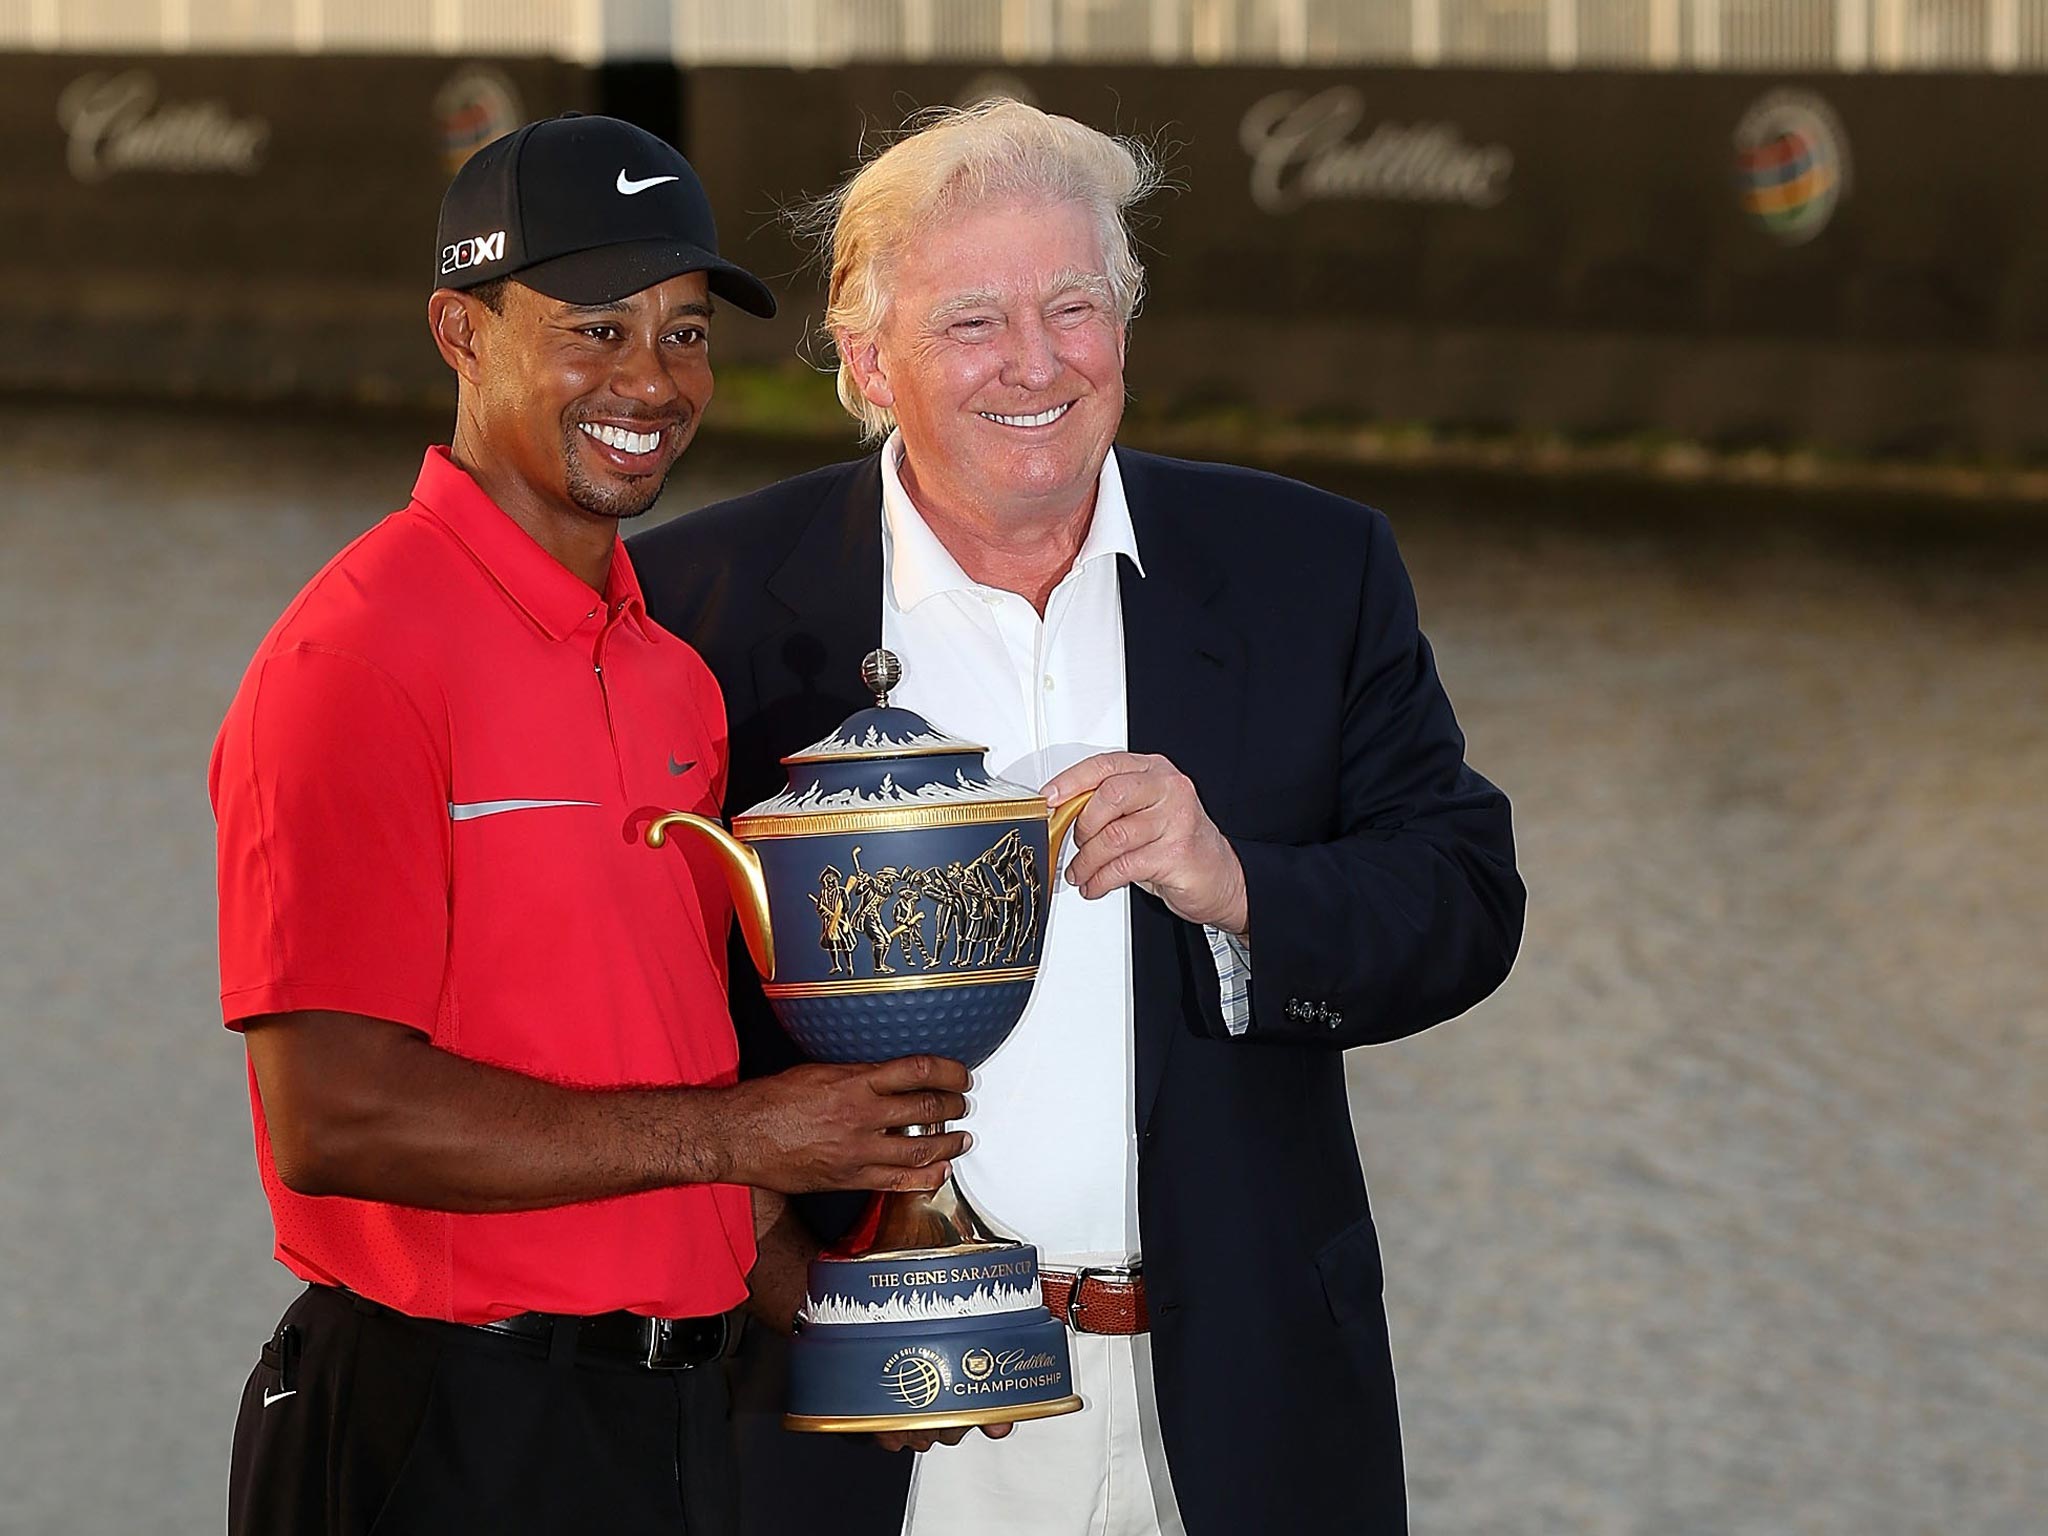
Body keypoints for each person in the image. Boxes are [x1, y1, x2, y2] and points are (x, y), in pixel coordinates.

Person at [631, 99, 1526, 1535]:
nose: (1036, 364)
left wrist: (1238, 885)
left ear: (1127, 323)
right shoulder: (699, 607)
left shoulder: (1311, 566)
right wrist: (749, 1232)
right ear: (868, 359)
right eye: (974, 321)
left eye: (1075, 308)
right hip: (861, 1413)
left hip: (1234, 1411)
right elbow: (605, 977)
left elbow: (1468, 904)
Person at [209, 114, 972, 1536]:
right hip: (443, 1426)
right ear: (461, 329)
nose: (651, 382)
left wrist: (841, 1300)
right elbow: (334, 1118)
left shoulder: (672, 674)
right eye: (596, 330)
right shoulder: (356, 658)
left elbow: (657, 1061)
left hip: (673, 1421)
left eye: (684, 335)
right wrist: (743, 1133)